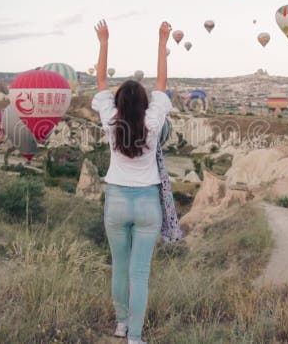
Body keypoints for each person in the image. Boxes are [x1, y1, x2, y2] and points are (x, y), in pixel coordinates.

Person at [91, 19, 172, 344]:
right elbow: (162, 84)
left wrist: (104, 42)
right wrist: (162, 40)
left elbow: (100, 82)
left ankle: (121, 325)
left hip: (117, 201)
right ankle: (135, 338)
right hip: (148, 203)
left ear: (119, 103)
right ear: (145, 103)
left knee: (119, 268)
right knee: (140, 274)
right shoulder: (153, 121)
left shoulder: (111, 121)